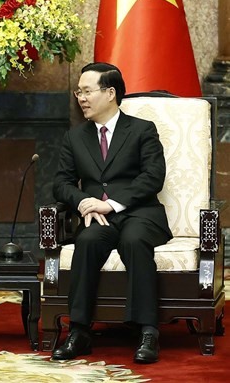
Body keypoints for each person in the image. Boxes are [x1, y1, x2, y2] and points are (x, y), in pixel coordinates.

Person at [51, 62, 171, 364]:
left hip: (139, 213)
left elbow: (153, 176)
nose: (81, 98)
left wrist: (111, 202)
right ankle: (79, 331)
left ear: (111, 93)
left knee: (133, 240)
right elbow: (61, 183)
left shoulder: (142, 130)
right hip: (98, 218)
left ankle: (147, 331)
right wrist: (83, 202)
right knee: (88, 242)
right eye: (78, 92)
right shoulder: (75, 137)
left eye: (88, 91)